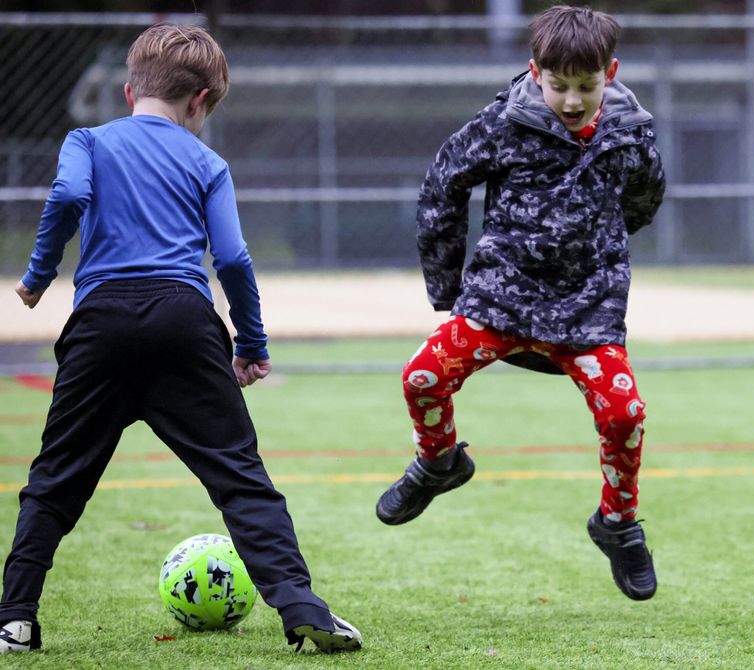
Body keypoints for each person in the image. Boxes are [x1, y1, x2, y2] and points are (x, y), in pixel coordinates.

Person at [0, 24, 361, 654]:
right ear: (200, 102)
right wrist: (250, 343)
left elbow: (68, 194)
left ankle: (15, 618)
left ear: (127, 88)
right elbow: (234, 259)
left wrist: (37, 277)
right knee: (240, 477)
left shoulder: (87, 139)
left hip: (101, 324)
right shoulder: (207, 161)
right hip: (185, 322)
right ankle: (303, 607)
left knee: (55, 478)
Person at [376, 5, 665, 602]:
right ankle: (439, 464)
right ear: (536, 73)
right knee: (422, 377)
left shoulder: (631, 133)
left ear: (609, 73)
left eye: (586, 86)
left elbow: (644, 197)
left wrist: (596, 247)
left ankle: (618, 523)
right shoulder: (504, 123)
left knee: (625, 415)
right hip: (499, 301)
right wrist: (448, 287)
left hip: (587, 310)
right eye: (559, 86)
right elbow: (443, 182)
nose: (572, 100)